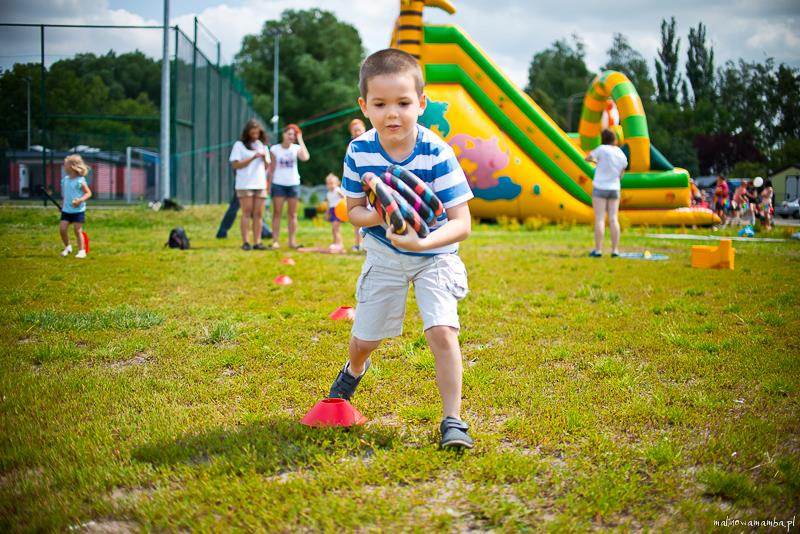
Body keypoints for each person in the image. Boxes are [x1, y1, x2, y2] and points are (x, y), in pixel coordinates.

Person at [327, 48, 475, 449]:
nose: (393, 114)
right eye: (380, 104)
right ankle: (355, 367)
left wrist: (420, 238)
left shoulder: (437, 153)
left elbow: (462, 223)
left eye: (404, 103)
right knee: (366, 339)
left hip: (435, 254)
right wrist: (387, 215)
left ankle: (453, 420)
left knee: (442, 331)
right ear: (364, 106)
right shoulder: (359, 151)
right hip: (386, 255)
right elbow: (353, 210)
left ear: (421, 104)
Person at [584, 129, 627, 257]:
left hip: (600, 187)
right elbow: (622, 172)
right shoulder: (619, 152)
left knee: (600, 219)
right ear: (614, 139)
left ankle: (598, 250)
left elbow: (588, 158)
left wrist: (597, 162)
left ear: (603, 139)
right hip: (614, 188)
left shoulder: (601, 149)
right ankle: (615, 250)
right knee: (614, 218)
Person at [229, 118, 270, 250]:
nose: (255, 136)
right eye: (252, 133)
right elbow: (235, 165)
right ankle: (246, 242)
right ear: (247, 133)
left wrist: (264, 158)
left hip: (260, 183)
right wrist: (252, 157)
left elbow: (267, 166)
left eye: (257, 133)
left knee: (258, 214)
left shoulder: (262, 146)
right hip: (244, 184)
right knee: (246, 212)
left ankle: (257, 242)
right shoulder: (239, 146)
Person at [268, 124, 310, 249]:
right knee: (277, 213)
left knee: (293, 214)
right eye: (289, 134)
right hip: (278, 183)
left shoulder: (296, 148)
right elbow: (271, 168)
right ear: (284, 134)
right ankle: (275, 241)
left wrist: (300, 139)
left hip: (293, 183)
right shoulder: (274, 149)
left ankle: (292, 242)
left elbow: (305, 157)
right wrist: (268, 185)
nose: (291, 137)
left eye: (294, 135)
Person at [59, 154, 92, 258]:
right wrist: (62, 205)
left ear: (72, 166)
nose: (64, 166)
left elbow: (88, 193)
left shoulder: (80, 180)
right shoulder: (65, 180)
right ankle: (68, 247)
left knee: (77, 231)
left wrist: (80, 200)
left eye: (65, 165)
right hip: (66, 210)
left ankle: (82, 251)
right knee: (62, 229)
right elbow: (66, 195)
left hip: (78, 210)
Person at [348, 118, 367, 252]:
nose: (357, 132)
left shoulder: (372, 143)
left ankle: (368, 244)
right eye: (354, 130)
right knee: (358, 211)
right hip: (358, 182)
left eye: (359, 129)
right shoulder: (352, 147)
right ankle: (358, 243)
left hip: (372, 182)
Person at [324, 173, 346, 252]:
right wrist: (327, 213)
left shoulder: (337, 190)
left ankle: (340, 245)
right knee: (333, 229)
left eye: (332, 183)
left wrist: (344, 207)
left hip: (338, 211)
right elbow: (329, 204)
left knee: (336, 228)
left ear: (337, 183)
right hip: (332, 211)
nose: (330, 185)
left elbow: (344, 198)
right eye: (328, 184)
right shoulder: (328, 193)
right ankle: (335, 243)